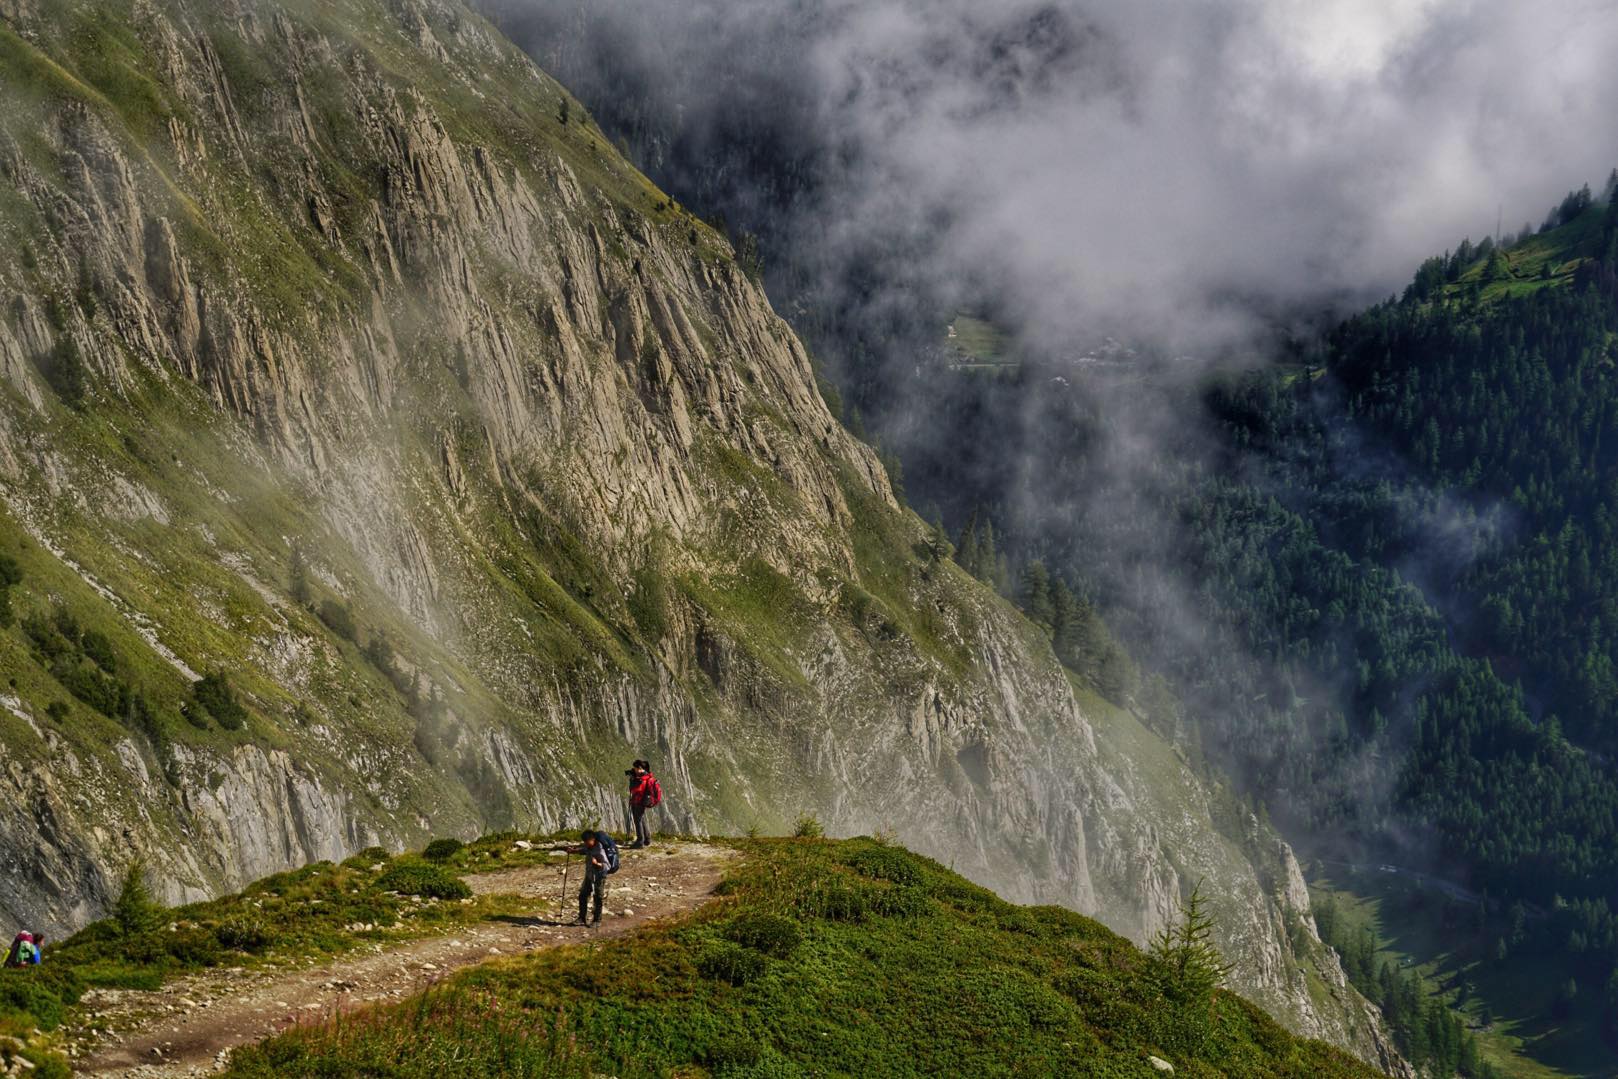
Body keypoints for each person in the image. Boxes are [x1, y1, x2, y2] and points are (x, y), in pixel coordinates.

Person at [573, 831, 610, 926]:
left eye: (587, 841)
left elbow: (607, 866)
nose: (585, 843)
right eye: (584, 841)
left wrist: (597, 864)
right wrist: (573, 851)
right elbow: (584, 850)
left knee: (598, 897)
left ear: (593, 839)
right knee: (583, 895)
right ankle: (582, 918)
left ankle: (597, 920)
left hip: (599, 877)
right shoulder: (589, 846)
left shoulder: (600, 850)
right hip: (589, 875)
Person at [627, 759, 662, 849]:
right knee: (642, 819)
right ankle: (647, 839)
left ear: (640, 768)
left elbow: (635, 790)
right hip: (641, 802)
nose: (634, 770)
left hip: (638, 802)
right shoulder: (646, 777)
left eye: (635, 768)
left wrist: (633, 780)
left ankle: (640, 841)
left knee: (638, 821)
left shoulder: (642, 780)